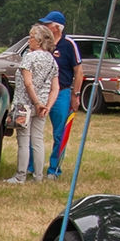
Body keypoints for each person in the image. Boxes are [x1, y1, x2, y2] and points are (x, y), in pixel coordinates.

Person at [5, 24, 59, 184]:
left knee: (23, 141)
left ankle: (20, 176)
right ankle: (39, 176)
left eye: (31, 37)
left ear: (40, 41)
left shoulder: (29, 57)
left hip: (25, 105)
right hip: (42, 105)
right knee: (38, 140)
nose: (29, 40)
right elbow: (55, 87)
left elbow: (28, 84)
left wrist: (35, 103)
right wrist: (47, 105)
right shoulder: (52, 60)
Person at [39, 10, 87, 178]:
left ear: (56, 28)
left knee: (60, 133)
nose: (44, 27)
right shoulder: (42, 44)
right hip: (42, 93)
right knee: (35, 130)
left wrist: (76, 94)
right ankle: (32, 167)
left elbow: (79, 72)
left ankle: (54, 169)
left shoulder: (68, 45)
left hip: (62, 92)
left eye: (47, 25)